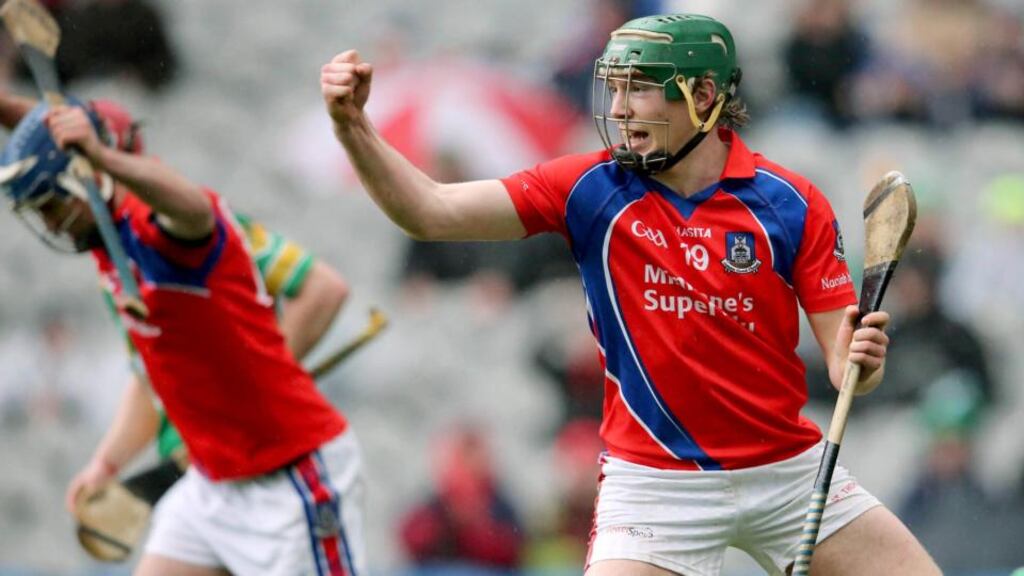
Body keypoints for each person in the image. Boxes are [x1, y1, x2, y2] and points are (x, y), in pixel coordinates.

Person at [321, 13, 939, 575]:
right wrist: (353, 128)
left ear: (702, 97)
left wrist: (861, 359)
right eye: (613, 88)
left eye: (638, 89)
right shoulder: (588, 187)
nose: (617, 108)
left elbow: (843, 365)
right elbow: (429, 211)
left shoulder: (790, 202)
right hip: (654, 483)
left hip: (787, 472)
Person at [0, 97, 365, 575]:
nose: (48, 223)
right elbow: (149, 375)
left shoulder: (159, 228)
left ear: (87, 175)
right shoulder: (109, 253)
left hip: (290, 478)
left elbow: (194, 209)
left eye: (51, 205)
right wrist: (106, 463)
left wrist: (104, 157)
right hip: (212, 483)